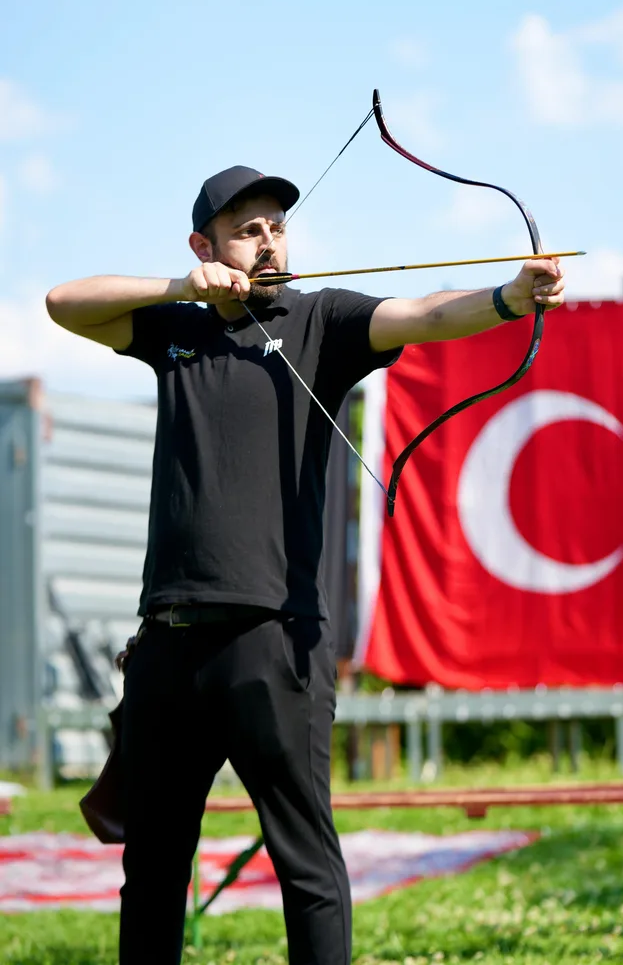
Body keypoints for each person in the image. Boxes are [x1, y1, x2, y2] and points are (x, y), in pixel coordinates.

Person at [46, 165, 566, 965]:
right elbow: (63, 301)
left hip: (273, 642)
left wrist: (507, 296)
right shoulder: (174, 331)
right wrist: (180, 286)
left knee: (306, 865)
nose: (268, 240)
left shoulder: (321, 319)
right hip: (168, 643)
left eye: (277, 226)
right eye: (248, 228)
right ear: (206, 244)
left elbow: (425, 313)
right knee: (150, 866)